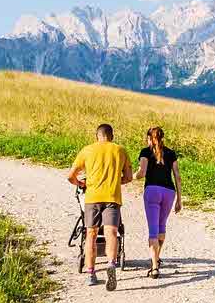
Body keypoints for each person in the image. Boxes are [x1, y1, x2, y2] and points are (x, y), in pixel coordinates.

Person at [67, 123, 132, 291]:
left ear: (97, 136)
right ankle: (111, 263)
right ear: (112, 136)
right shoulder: (120, 150)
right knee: (111, 232)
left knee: (91, 234)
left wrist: (82, 183)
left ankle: (91, 273)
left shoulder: (87, 150)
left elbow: (70, 176)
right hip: (112, 197)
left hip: (92, 198)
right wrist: (116, 181)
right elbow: (129, 177)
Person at [133, 126, 181, 279]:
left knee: (153, 230)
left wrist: (130, 176)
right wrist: (179, 199)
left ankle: (154, 267)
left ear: (149, 138)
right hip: (169, 192)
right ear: (162, 138)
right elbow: (177, 176)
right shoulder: (171, 153)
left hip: (152, 191)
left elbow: (142, 173)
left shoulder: (145, 152)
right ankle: (157, 257)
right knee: (162, 226)